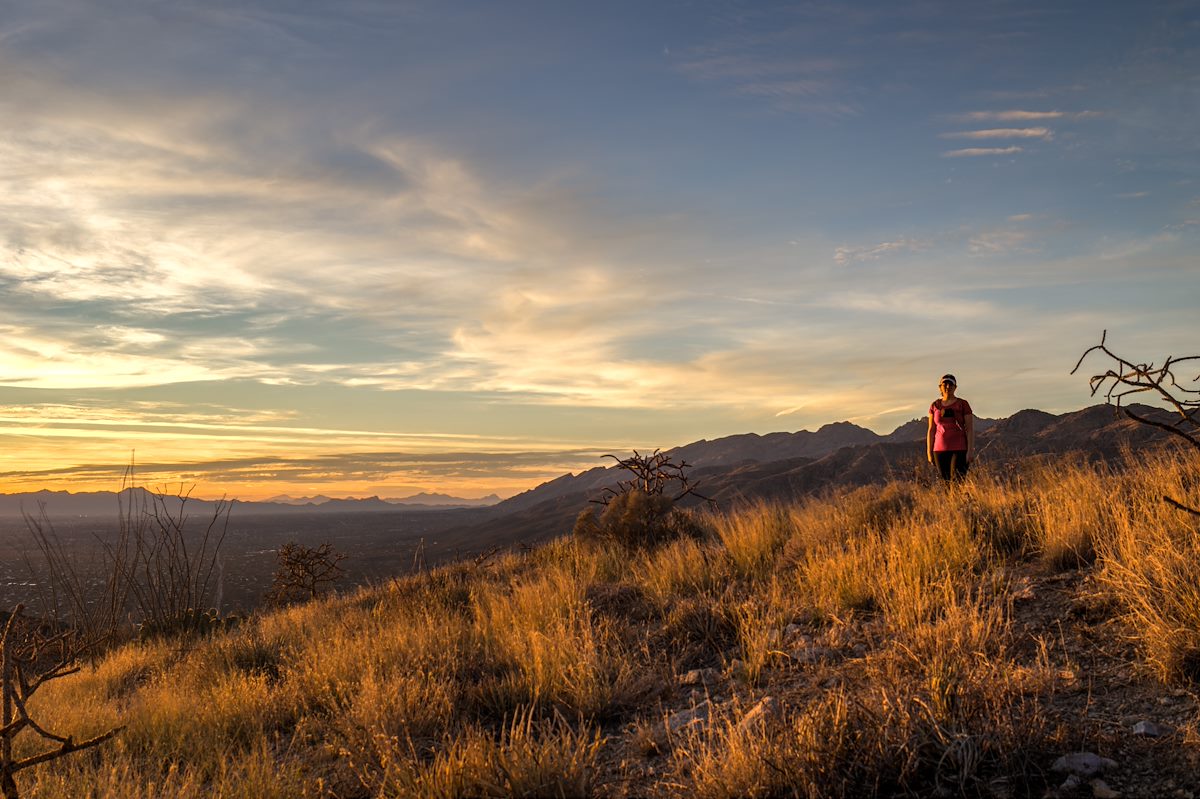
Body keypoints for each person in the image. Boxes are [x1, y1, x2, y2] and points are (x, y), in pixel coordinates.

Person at [927, 374, 974, 483]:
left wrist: (970, 451)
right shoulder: (935, 405)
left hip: (960, 449)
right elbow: (931, 430)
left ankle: (958, 500)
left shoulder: (963, 404)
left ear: (955, 387)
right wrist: (929, 453)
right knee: (946, 483)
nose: (948, 387)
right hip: (939, 450)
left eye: (951, 384)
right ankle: (950, 500)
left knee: (958, 481)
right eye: (945, 384)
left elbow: (970, 429)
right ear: (940, 387)